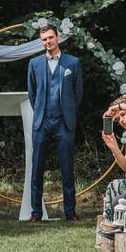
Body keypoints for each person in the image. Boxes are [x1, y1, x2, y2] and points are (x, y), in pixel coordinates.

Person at [27, 24, 83, 221]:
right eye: (44, 39)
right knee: (37, 169)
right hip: (42, 122)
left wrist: (67, 112)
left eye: (50, 38)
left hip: (64, 122)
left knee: (67, 168)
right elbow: (32, 93)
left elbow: (78, 94)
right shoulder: (34, 64)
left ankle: (70, 212)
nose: (47, 42)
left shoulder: (73, 63)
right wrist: (42, 112)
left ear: (57, 38)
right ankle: (36, 212)